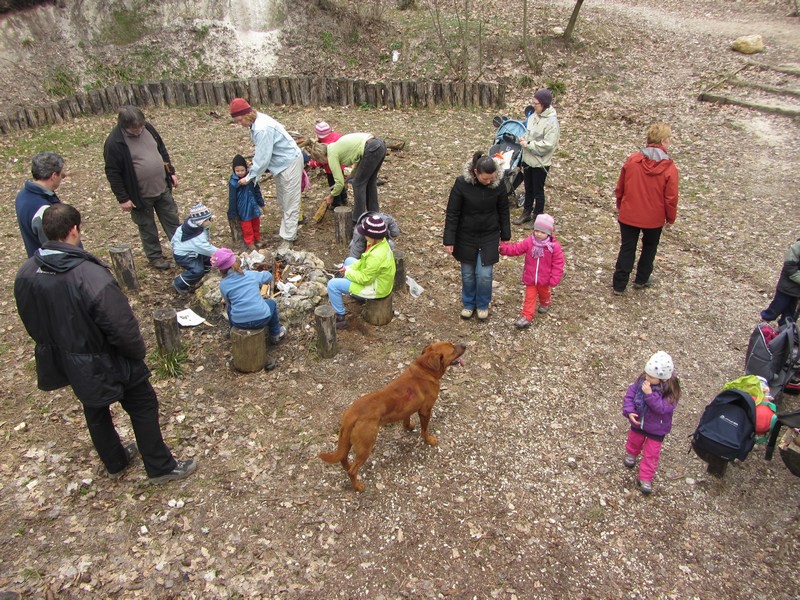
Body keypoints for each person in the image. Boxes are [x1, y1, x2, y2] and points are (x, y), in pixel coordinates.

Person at [14, 203, 196, 484]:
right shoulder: (89, 276)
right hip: (107, 358)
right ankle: (159, 466)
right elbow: (121, 325)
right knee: (143, 404)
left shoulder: (27, 272)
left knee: (94, 407)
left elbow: (30, 317)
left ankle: (115, 461)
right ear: (74, 229)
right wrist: (136, 353)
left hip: (68, 357)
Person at [103, 106, 182, 270]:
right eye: (135, 128)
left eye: (141, 126)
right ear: (124, 126)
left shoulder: (149, 128)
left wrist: (171, 172)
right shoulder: (114, 143)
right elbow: (113, 173)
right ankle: (155, 257)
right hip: (139, 195)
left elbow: (162, 151)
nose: (139, 130)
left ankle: (182, 250)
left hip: (161, 187)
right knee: (147, 228)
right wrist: (123, 198)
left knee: (172, 220)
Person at [612, 123, 679, 295]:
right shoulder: (669, 168)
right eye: (669, 140)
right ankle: (641, 279)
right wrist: (670, 218)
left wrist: (620, 203)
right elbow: (671, 198)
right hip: (653, 218)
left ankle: (619, 284)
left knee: (627, 247)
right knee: (649, 247)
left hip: (629, 213)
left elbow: (621, 186)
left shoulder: (633, 160)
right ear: (663, 141)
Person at [229, 98, 304, 251]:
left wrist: (250, 177)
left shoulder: (262, 128)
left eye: (239, 120)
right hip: (280, 165)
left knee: (290, 201)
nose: (239, 124)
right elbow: (262, 154)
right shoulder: (255, 124)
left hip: (289, 162)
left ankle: (288, 238)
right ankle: (287, 231)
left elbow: (263, 158)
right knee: (283, 200)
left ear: (247, 115)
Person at [443, 152, 511, 321]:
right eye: (485, 179)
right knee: (467, 273)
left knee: (485, 274)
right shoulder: (461, 184)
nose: (489, 182)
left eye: (492, 178)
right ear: (475, 172)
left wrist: (505, 234)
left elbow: (504, 210)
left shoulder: (498, 184)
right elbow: (453, 213)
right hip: (466, 235)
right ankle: (468, 303)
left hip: (489, 234)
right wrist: (449, 239)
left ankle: (482, 304)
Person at [621, 351, 681, 495]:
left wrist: (649, 395)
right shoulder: (642, 382)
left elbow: (661, 409)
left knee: (651, 453)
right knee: (634, 440)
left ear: (663, 379)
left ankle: (645, 477)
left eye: (651, 377)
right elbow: (630, 396)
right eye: (646, 374)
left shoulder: (670, 393)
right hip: (639, 423)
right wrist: (629, 411)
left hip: (657, 429)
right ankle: (631, 454)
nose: (647, 378)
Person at [327, 214, 396, 329]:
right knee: (349, 261)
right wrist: (350, 268)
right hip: (378, 280)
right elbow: (364, 262)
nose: (363, 236)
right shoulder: (379, 243)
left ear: (372, 236)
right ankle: (350, 289)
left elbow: (365, 279)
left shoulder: (377, 256)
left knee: (332, 285)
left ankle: (340, 316)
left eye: (365, 234)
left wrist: (348, 272)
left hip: (377, 289)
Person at [499, 213, 565, 329]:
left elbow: (558, 264)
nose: (539, 234)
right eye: (537, 231)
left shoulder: (553, 247)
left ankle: (546, 302)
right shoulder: (529, 242)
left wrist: (555, 278)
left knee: (544, 293)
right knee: (530, 297)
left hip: (545, 279)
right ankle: (526, 316)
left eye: (542, 232)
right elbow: (517, 249)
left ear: (549, 233)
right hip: (530, 278)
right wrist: (504, 249)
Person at [307, 131, 387, 224]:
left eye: (320, 161)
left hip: (372, 148)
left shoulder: (331, 155)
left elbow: (339, 183)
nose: (323, 163)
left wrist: (331, 196)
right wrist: (352, 175)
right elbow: (358, 159)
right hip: (379, 145)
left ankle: (358, 219)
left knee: (357, 184)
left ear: (321, 157)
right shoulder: (335, 146)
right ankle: (374, 215)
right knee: (370, 181)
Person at [211, 247, 286, 343]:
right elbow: (269, 276)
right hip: (262, 318)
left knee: (230, 308)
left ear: (221, 270)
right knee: (271, 303)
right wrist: (262, 273)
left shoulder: (223, 285)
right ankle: (275, 334)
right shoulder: (250, 274)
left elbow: (228, 301)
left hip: (238, 322)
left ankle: (232, 330)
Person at [514, 89, 560, 227]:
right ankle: (526, 212)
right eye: (533, 103)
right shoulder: (534, 116)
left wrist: (529, 144)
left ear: (544, 104)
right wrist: (523, 140)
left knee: (538, 191)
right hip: (528, 159)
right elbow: (529, 133)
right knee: (528, 188)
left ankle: (537, 216)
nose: (533, 105)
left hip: (541, 162)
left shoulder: (552, 122)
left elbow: (549, 144)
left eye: (536, 103)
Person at [15, 151, 67, 257]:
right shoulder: (44, 210)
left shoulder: (22, 195)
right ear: (53, 176)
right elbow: (55, 249)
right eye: (61, 174)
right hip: (53, 267)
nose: (63, 176)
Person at [171, 203, 218, 295]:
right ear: (200, 221)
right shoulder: (196, 238)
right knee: (197, 270)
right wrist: (223, 253)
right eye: (207, 220)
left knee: (208, 259)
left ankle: (205, 268)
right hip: (184, 256)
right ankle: (179, 283)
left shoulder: (191, 227)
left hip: (193, 251)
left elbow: (174, 239)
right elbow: (208, 249)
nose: (210, 221)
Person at [228, 154, 266, 250]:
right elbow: (232, 198)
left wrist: (261, 203)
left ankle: (257, 238)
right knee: (247, 227)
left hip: (253, 206)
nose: (240, 173)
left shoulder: (250, 179)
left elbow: (257, 191)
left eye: (242, 170)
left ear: (246, 169)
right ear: (234, 170)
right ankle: (250, 242)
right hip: (243, 208)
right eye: (237, 171)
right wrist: (232, 211)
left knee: (256, 224)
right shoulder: (234, 182)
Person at [308, 120, 348, 208]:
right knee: (340, 180)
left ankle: (336, 202)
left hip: (331, 167)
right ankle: (344, 197)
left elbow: (322, 158)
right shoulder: (337, 136)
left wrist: (314, 163)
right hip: (341, 163)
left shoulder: (324, 144)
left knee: (333, 183)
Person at [760, 237, 800, 325]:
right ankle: (763, 324)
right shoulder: (797, 247)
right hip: (786, 287)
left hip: (797, 292)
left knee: (790, 315)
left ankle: (784, 331)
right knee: (777, 307)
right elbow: (789, 267)